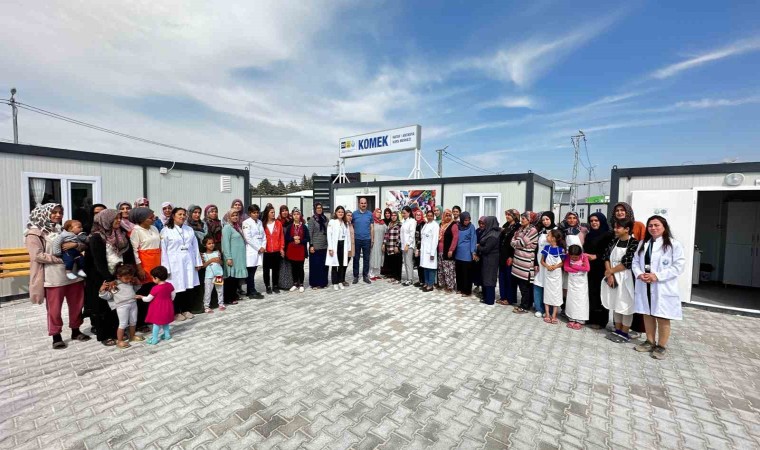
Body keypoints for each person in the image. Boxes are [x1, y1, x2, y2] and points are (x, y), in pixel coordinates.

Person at [24, 203, 91, 349]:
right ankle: (56, 335)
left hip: (73, 274)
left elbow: (81, 244)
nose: (58, 215)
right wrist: (61, 259)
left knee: (77, 304)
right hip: (54, 277)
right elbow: (37, 255)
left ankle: (75, 330)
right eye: (54, 212)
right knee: (54, 309)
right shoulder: (34, 233)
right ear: (44, 213)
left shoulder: (63, 229)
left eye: (60, 212)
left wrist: (75, 247)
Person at [633, 216, 686, 360]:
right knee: (647, 313)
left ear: (664, 227)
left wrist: (657, 276)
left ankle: (661, 346)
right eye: (650, 225)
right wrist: (639, 274)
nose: (653, 228)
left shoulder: (673, 244)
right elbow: (635, 262)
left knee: (662, 316)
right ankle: (650, 341)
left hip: (662, 286)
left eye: (656, 225)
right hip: (645, 284)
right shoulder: (643, 243)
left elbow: (678, 266)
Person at [86, 208, 135, 345]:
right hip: (103, 276)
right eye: (116, 218)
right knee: (103, 308)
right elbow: (98, 261)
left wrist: (130, 273)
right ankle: (104, 335)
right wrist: (108, 278)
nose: (119, 220)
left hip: (119, 275)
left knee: (118, 305)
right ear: (106, 220)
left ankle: (117, 331)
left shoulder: (120, 233)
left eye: (119, 218)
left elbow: (128, 254)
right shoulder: (97, 237)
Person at [601, 219, 639, 344]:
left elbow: (628, 262)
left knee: (625, 304)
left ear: (627, 229)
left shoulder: (634, 243)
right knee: (615, 303)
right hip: (613, 276)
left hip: (626, 277)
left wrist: (611, 271)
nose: (615, 230)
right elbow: (606, 256)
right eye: (615, 227)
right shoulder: (614, 241)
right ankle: (617, 330)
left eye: (618, 228)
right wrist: (609, 273)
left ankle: (624, 332)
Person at [160, 207, 202, 321]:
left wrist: (198, 262)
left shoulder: (189, 229)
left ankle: (186, 309)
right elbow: (163, 250)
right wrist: (166, 268)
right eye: (180, 214)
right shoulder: (166, 230)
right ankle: (176, 311)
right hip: (174, 261)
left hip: (188, 259)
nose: (182, 217)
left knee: (188, 285)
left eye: (184, 214)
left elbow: (195, 247)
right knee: (177, 287)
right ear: (173, 216)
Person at [128, 207, 161, 330]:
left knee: (154, 292)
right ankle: (140, 322)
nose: (153, 218)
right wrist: (139, 268)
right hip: (145, 265)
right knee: (144, 293)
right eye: (150, 217)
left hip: (156, 263)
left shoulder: (154, 228)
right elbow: (134, 251)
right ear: (141, 219)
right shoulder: (136, 231)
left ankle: (151, 317)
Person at [98, 263, 143, 348]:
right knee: (123, 324)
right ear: (119, 276)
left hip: (133, 303)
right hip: (122, 306)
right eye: (126, 278)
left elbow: (135, 290)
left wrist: (137, 283)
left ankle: (132, 336)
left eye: (130, 278)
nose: (128, 280)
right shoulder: (114, 285)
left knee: (133, 321)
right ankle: (120, 341)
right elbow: (108, 296)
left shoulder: (130, 282)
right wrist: (102, 290)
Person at [584, 212, 614, 329]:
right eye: (591, 221)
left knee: (600, 293)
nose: (594, 223)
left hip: (602, 267)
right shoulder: (589, 235)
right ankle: (591, 317)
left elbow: (609, 252)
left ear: (601, 221)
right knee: (591, 292)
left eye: (596, 220)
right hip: (590, 268)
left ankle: (601, 321)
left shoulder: (608, 235)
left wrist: (596, 256)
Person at [136, 266, 175, 345]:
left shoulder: (155, 288)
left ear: (156, 278)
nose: (152, 279)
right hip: (167, 306)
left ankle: (154, 339)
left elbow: (148, 299)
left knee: (156, 324)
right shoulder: (170, 285)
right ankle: (167, 335)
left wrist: (141, 297)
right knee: (165, 322)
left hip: (158, 308)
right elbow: (173, 295)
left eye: (153, 278)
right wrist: (169, 301)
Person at [511, 211, 539, 314]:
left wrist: (517, 243)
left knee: (525, 286)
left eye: (524, 218)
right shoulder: (520, 229)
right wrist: (518, 243)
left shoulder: (533, 230)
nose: (521, 220)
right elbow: (512, 242)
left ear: (530, 220)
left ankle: (525, 306)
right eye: (521, 218)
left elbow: (521, 243)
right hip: (518, 261)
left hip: (526, 262)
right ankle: (523, 303)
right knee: (520, 284)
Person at [533, 212, 557, 318]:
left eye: (547, 219)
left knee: (550, 286)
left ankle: (550, 310)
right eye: (543, 220)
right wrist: (535, 262)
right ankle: (539, 308)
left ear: (551, 219)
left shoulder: (557, 230)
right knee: (538, 284)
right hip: (540, 261)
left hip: (552, 264)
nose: (545, 222)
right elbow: (537, 248)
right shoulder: (541, 231)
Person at [222, 209, 247, 305]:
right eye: (233, 215)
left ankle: (234, 295)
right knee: (230, 278)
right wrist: (228, 257)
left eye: (236, 215)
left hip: (239, 257)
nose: (235, 217)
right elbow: (226, 244)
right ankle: (228, 298)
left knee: (235, 278)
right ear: (228, 217)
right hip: (232, 257)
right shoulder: (227, 228)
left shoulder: (237, 227)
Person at [540, 230, 566, 324]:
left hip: (557, 275)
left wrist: (555, 266)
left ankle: (554, 315)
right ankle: (547, 314)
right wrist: (547, 266)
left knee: (556, 294)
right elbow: (542, 261)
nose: (547, 237)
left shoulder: (561, 250)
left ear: (553, 238)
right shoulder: (547, 248)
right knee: (547, 293)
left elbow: (563, 262)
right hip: (548, 274)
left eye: (548, 235)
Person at [284, 207, 310, 292]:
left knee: (300, 267)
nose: (296, 216)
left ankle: (301, 284)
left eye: (298, 214)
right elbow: (286, 238)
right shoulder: (289, 227)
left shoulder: (304, 227)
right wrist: (293, 238)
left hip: (301, 250)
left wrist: (301, 241)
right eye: (294, 214)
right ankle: (295, 283)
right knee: (293, 267)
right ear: (292, 216)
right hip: (292, 250)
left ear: (300, 216)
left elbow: (307, 238)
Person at [242, 204, 266, 299]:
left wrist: (263, 246)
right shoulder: (246, 223)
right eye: (254, 213)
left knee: (254, 271)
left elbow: (263, 235)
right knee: (250, 272)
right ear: (249, 213)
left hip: (260, 250)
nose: (256, 214)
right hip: (251, 250)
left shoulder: (260, 222)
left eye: (257, 212)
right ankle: (252, 291)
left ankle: (250, 290)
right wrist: (258, 247)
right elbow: (248, 238)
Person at [564, 245, 590, 329]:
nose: (574, 259)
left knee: (581, 300)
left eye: (576, 257)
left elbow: (587, 268)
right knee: (571, 299)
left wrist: (574, 266)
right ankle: (571, 318)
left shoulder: (584, 257)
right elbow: (566, 267)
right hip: (572, 283)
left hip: (581, 284)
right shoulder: (568, 256)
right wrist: (579, 268)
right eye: (572, 257)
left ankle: (580, 320)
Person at [497, 209, 520, 305]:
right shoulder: (506, 226)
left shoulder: (517, 227)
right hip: (502, 255)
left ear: (514, 216)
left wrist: (511, 256)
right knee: (502, 276)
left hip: (510, 255)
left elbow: (516, 243)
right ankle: (503, 297)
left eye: (509, 215)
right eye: (506, 215)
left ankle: (510, 298)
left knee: (509, 277)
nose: (507, 217)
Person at [327, 206, 352, 290]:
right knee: (335, 264)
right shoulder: (332, 222)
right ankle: (334, 282)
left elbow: (348, 236)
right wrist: (330, 248)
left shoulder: (345, 223)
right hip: (335, 245)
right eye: (339, 212)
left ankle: (340, 281)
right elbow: (329, 235)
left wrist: (349, 248)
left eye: (342, 212)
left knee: (342, 264)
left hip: (343, 245)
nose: (341, 213)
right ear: (336, 213)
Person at [477, 216, 501, 305]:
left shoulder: (494, 235)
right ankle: (486, 297)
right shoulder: (489, 232)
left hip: (491, 259)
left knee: (489, 279)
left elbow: (487, 249)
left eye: (486, 222)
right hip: (487, 259)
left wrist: (478, 246)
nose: (485, 224)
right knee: (486, 278)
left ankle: (490, 299)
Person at [262, 204, 285, 294]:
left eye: (274, 212)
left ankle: (275, 285)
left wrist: (281, 248)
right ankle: (267, 285)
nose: (273, 214)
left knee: (276, 269)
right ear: (267, 213)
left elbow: (281, 236)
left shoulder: (278, 223)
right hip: (266, 251)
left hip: (276, 250)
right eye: (271, 212)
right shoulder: (263, 224)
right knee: (266, 270)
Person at [454, 212, 477, 297]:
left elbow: (473, 240)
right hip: (458, 253)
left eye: (468, 220)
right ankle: (460, 288)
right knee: (459, 272)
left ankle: (467, 291)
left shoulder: (471, 227)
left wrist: (473, 252)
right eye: (465, 220)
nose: (467, 221)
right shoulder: (458, 226)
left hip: (467, 254)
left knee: (466, 273)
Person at [307, 203, 329, 289]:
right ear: (315, 209)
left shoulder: (325, 219)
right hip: (315, 246)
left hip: (324, 245)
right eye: (317, 208)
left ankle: (323, 283)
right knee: (315, 266)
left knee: (324, 266)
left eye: (320, 208)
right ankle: (314, 283)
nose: (319, 209)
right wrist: (311, 245)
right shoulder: (312, 220)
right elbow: (310, 234)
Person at [352, 198, 373, 284]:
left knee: (366, 259)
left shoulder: (370, 214)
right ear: (359, 204)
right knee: (356, 258)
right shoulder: (354, 214)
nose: (363, 204)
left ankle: (365, 276)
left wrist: (372, 240)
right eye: (361, 203)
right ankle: (356, 276)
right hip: (357, 239)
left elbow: (372, 227)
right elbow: (351, 226)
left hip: (367, 239)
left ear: (366, 204)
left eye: (364, 203)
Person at [200, 236, 225, 313]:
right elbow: (203, 266)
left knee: (220, 290)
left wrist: (219, 260)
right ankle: (206, 306)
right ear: (205, 245)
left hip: (218, 274)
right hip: (209, 276)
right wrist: (211, 260)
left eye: (212, 243)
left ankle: (221, 303)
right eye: (209, 243)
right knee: (208, 291)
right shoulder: (203, 255)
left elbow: (221, 263)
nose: (211, 245)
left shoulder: (217, 252)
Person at [437, 209, 459, 293]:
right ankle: (443, 284)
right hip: (440, 250)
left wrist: (451, 250)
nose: (448, 217)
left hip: (448, 251)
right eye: (446, 215)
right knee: (442, 268)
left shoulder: (453, 225)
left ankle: (450, 286)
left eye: (450, 215)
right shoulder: (441, 224)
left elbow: (455, 238)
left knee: (449, 269)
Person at [419, 210, 440, 292]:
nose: (429, 217)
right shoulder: (426, 224)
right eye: (428, 215)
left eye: (431, 215)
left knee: (431, 268)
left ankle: (430, 285)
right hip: (424, 250)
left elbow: (435, 240)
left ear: (433, 216)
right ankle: (426, 283)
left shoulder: (435, 225)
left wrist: (432, 253)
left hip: (431, 250)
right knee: (425, 267)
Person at [277, 205, 294, 291]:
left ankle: (291, 283)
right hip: (281, 246)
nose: (285, 212)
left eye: (286, 210)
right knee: (282, 265)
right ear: (280, 212)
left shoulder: (291, 221)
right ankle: (282, 284)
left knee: (290, 265)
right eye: (283, 211)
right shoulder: (278, 222)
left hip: (290, 245)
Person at [382, 211, 402, 282]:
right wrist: (384, 244)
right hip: (389, 246)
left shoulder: (399, 224)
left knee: (397, 263)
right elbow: (386, 235)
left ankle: (398, 278)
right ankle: (393, 277)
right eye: (392, 215)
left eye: (395, 215)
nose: (393, 216)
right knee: (392, 263)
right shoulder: (390, 224)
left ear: (397, 216)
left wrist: (397, 245)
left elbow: (400, 236)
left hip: (395, 247)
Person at [399, 206, 417, 286]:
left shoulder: (412, 221)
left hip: (408, 245)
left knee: (409, 262)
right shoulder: (404, 221)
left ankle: (410, 279)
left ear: (409, 213)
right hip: (403, 245)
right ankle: (408, 278)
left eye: (404, 213)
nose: (403, 214)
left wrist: (407, 244)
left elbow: (411, 234)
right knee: (405, 262)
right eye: (402, 213)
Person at [369, 208, 387, 281]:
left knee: (379, 258)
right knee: (373, 258)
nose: (379, 214)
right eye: (377, 212)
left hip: (381, 243)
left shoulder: (382, 222)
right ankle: (371, 274)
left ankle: (376, 273)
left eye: (380, 212)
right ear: (374, 213)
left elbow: (387, 232)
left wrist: (384, 243)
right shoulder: (372, 222)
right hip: (374, 243)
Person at [412, 209, 425, 287]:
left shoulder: (423, 224)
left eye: (419, 215)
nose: (418, 216)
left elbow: (422, 237)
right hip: (415, 246)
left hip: (420, 247)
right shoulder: (415, 224)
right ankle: (420, 280)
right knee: (417, 264)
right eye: (417, 215)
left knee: (421, 265)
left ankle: (423, 281)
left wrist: (418, 249)